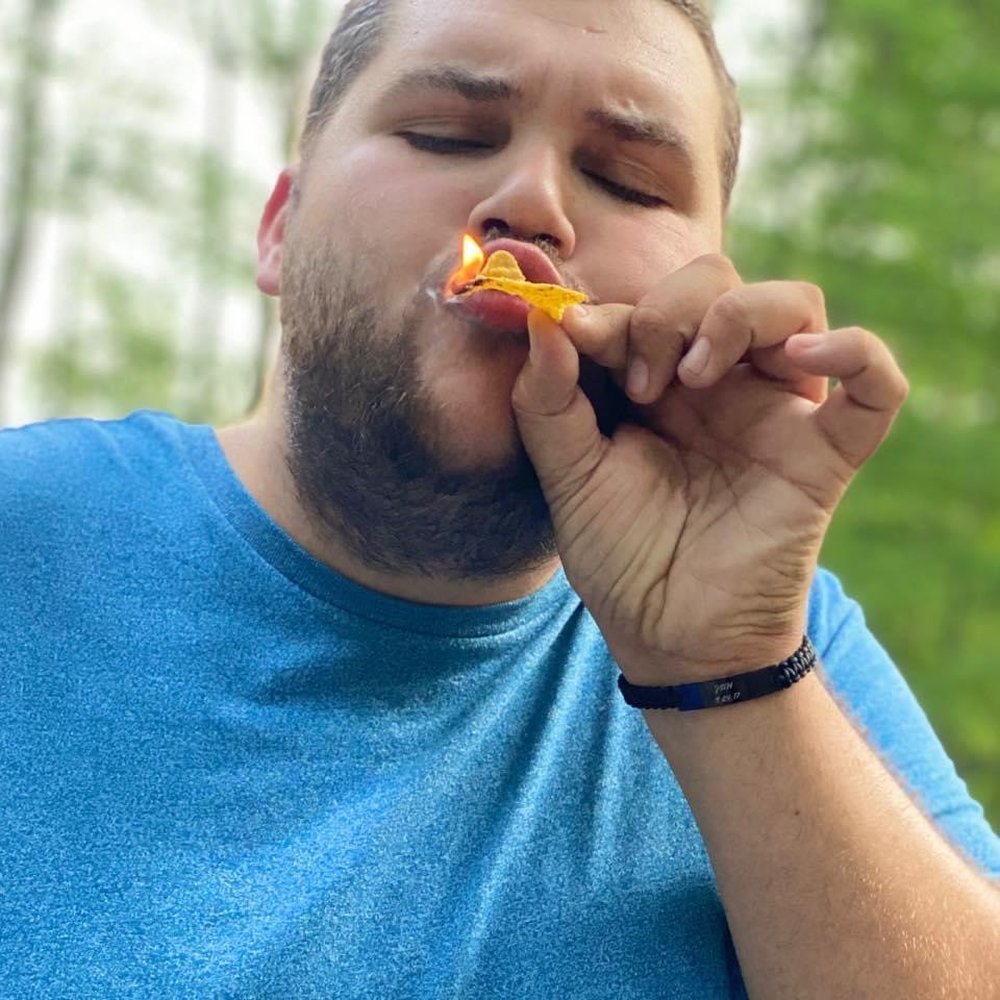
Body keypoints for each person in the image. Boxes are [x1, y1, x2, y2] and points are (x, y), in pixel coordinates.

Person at [2, 0, 998, 995]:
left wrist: (725, 665)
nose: (531, 203)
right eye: (447, 134)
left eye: (629, 181)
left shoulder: (782, 648)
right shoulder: (26, 533)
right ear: (280, 228)